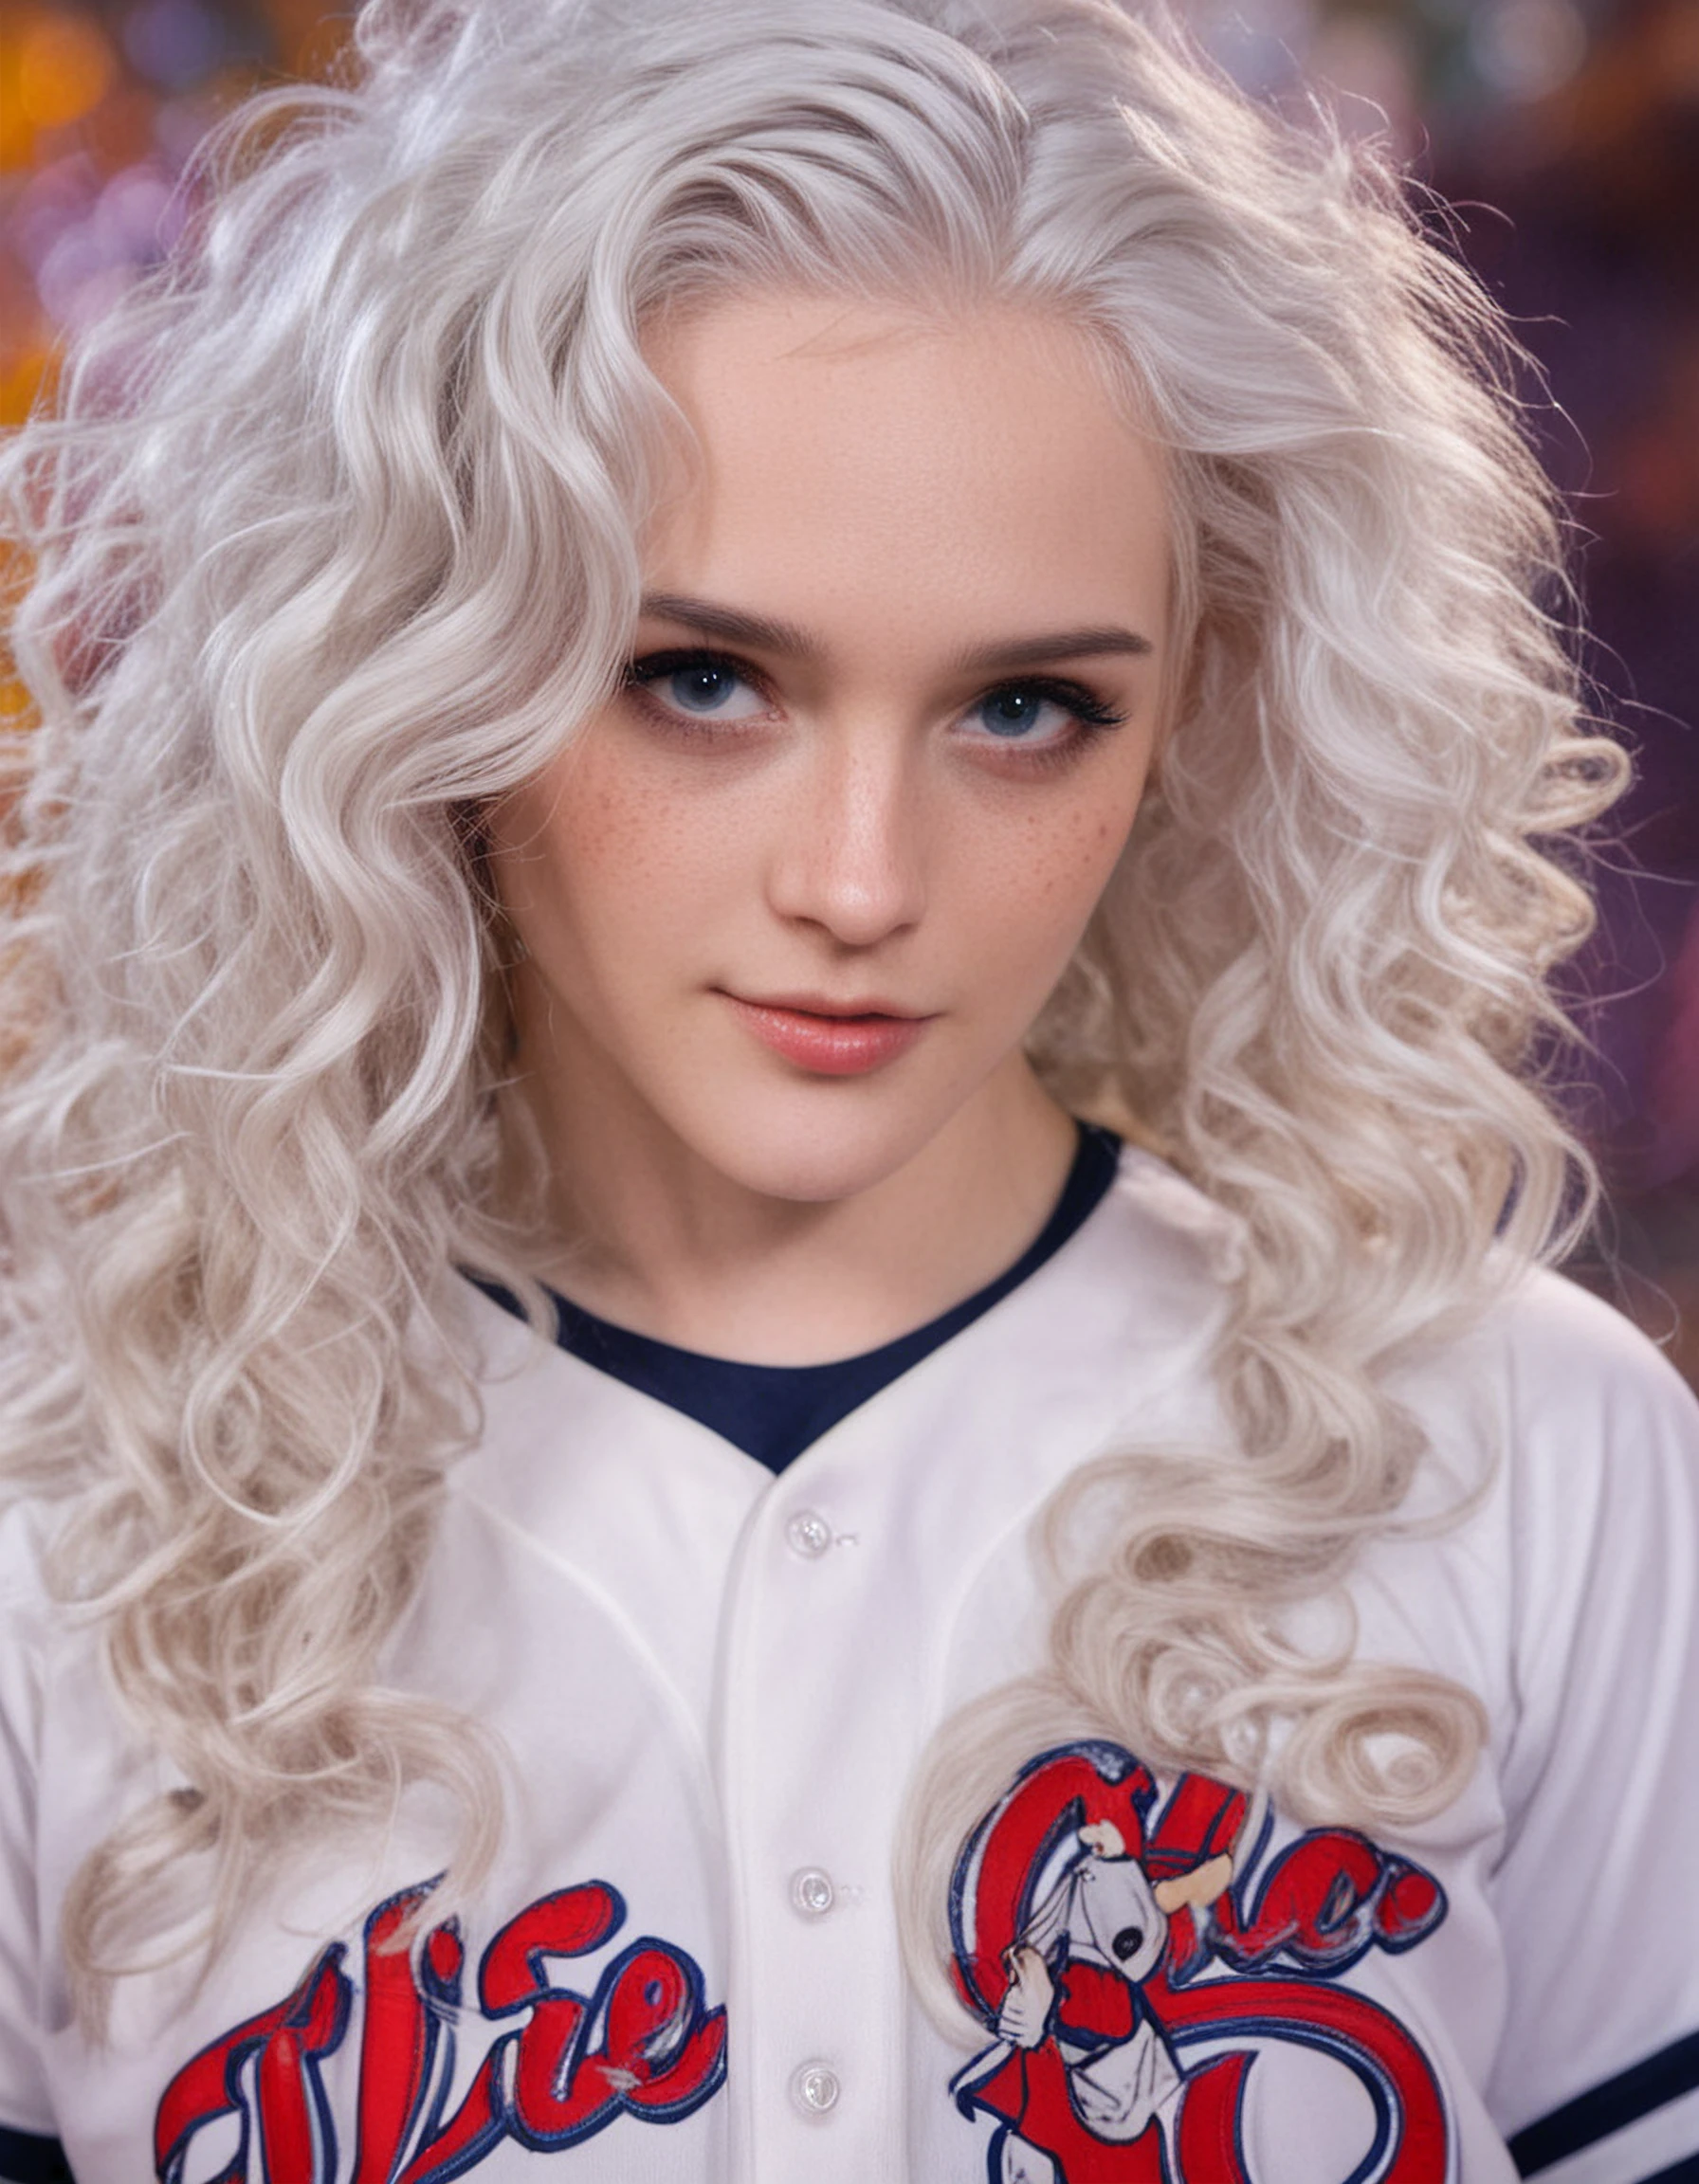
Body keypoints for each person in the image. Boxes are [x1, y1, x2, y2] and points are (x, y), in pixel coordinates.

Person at [0, 0, 1694, 2177]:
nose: (861, 884)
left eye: (1021, 711)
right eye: (699, 680)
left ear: (1205, 704)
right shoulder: (69, 1498)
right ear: (426, 662)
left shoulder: (1526, 1459)